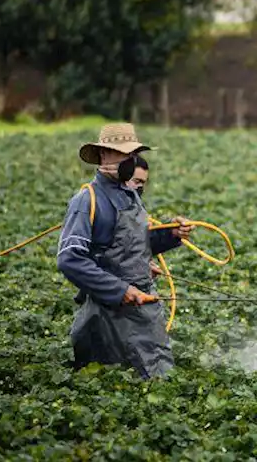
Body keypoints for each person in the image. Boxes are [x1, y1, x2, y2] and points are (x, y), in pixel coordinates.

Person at [56, 122, 194, 379]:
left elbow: (133, 244)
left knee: (161, 381)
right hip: (109, 317)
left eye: (131, 155)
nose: (129, 160)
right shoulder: (87, 200)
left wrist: (171, 235)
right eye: (123, 154)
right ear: (103, 155)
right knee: (116, 384)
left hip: (144, 310)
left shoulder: (130, 194)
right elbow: (69, 259)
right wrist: (121, 290)